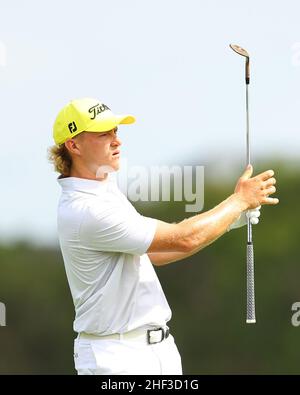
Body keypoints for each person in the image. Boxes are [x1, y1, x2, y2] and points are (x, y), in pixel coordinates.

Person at [48, 97, 278, 375]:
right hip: (116, 358)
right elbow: (184, 238)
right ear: (73, 145)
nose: (116, 141)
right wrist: (238, 202)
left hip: (158, 351)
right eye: (103, 134)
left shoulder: (105, 191)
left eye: (115, 132)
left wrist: (230, 221)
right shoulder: (86, 209)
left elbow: (156, 253)